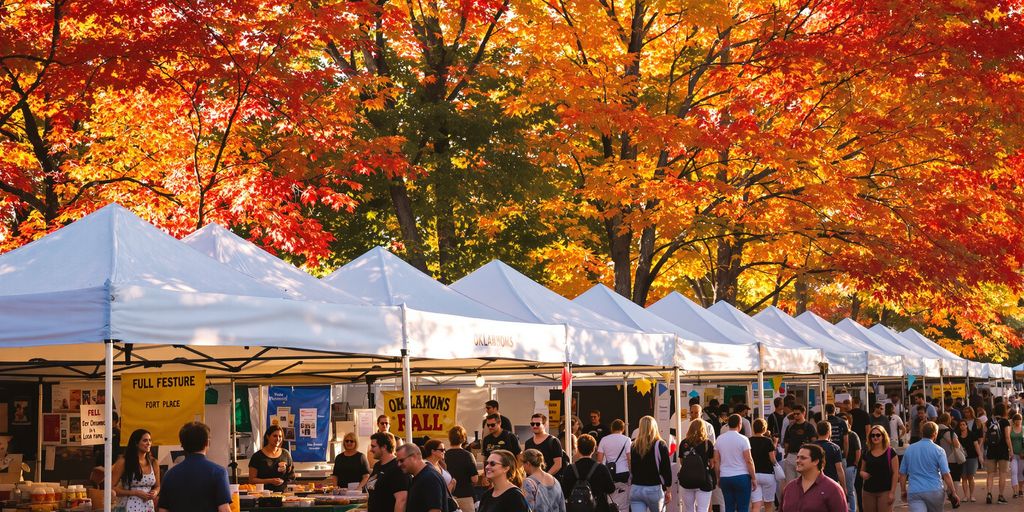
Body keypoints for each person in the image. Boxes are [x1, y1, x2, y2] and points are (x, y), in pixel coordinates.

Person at [157, 422, 231, 512]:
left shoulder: (169, 474)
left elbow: (163, 510)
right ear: (207, 442)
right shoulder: (218, 472)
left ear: (182, 445)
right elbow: (224, 509)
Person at [899, 421, 958, 512]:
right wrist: (953, 492)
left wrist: (903, 490)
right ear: (935, 434)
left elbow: (903, 473)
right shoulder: (939, 450)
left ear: (922, 432)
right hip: (934, 490)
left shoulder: (910, 449)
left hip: (915, 490)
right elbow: (945, 474)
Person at [779, 444, 847, 512]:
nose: (797, 461)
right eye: (797, 457)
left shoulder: (833, 489)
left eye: (803, 458)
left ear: (816, 461)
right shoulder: (790, 488)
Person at [629, 415, 672, 512]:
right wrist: (668, 489)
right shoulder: (660, 444)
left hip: (636, 488)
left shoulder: (633, 445)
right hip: (654, 488)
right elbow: (666, 469)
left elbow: (632, 466)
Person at [562, 434, 615, 512]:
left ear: (578, 449)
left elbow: (564, 492)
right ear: (593, 449)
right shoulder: (601, 468)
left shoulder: (570, 468)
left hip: (576, 508)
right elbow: (611, 489)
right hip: (599, 507)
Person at [715, 414, 756, 512]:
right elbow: (749, 460)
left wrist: (718, 477)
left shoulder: (719, 439)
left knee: (729, 507)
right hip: (742, 477)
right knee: (743, 507)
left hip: (725, 477)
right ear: (740, 424)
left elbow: (716, 460)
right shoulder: (743, 439)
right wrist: (753, 477)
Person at [112, 429, 160, 512]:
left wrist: (155, 492)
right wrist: (134, 493)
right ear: (136, 443)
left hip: (148, 507)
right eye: (145, 440)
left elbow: (158, 486)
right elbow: (111, 487)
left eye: (150, 440)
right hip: (127, 506)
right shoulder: (123, 462)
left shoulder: (153, 462)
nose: (148, 443)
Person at [395, 444, 449, 512]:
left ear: (414, 457)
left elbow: (435, 510)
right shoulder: (421, 477)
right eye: (398, 461)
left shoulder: (429, 478)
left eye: (401, 460)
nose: (399, 464)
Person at [859, 425, 899, 512]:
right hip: (868, 491)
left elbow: (895, 473)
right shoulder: (866, 453)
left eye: (878, 435)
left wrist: (892, 492)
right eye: (872, 435)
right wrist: (863, 474)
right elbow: (861, 470)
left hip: (885, 491)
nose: (875, 437)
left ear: (883, 436)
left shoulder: (890, 452)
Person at [367, 432, 409, 512]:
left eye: (373, 446)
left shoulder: (397, 468)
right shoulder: (377, 465)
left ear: (384, 447)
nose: (371, 450)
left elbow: (402, 500)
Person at [596, 418, 631, 511]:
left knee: (610, 499)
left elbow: (599, 460)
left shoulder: (604, 440)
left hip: (609, 474)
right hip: (624, 473)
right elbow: (629, 458)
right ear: (623, 429)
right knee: (624, 500)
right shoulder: (627, 440)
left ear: (612, 428)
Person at [248, 425, 294, 492]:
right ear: (268, 437)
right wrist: (270, 481)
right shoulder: (257, 456)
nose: (278, 439)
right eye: (275, 436)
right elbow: (252, 480)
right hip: (263, 494)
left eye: (280, 436)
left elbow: (291, 476)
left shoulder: (286, 454)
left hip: (283, 494)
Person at [444, 426, 478, 512]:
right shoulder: (468, 455)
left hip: (449, 497)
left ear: (450, 438)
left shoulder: (444, 455)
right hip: (466, 496)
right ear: (463, 438)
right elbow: (474, 479)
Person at [984, 402, 1011, 504]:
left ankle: (989, 494)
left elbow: (985, 435)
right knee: (1002, 474)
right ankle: (1000, 496)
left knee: (990, 474)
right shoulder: (1005, 422)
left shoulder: (989, 421)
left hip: (991, 450)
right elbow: (1007, 437)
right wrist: (1011, 450)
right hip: (1003, 450)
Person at [748, 418, 776, 512]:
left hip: (753, 475)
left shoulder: (748, 440)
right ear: (764, 429)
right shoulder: (768, 441)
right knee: (768, 505)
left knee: (755, 506)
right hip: (768, 474)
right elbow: (772, 459)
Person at [782, 405, 815, 485]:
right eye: (794, 414)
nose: (796, 416)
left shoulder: (809, 427)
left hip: (804, 457)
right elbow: (786, 443)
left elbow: (814, 442)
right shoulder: (790, 427)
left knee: (803, 483)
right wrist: (786, 454)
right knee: (790, 484)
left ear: (804, 413)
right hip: (791, 456)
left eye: (798, 414)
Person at [813, 420, 847, 496]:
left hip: (814, 483)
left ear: (817, 431)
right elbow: (839, 469)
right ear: (829, 432)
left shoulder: (811, 447)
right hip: (831, 483)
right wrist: (844, 488)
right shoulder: (835, 448)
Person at [954, 418, 980, 502]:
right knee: (964, 477)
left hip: (972, 457)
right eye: (960, 425)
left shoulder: (972, 434)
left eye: (963, 425)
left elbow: (976, 445)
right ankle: (965, 496)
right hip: (961, 459)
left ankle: (972, 495)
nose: (962, 426)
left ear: (966, 425)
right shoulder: (957, 435)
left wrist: (980, 456)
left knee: (971, 477)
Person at [839, 413, 860, 512]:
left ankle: (852, 509)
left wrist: (855, 463)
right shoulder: (838, 435)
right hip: (840, 465)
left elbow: (858, 450)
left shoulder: (853, 435)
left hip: (850, 465)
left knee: (850, 489)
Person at [1010, 412, 1024, 498]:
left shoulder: (1023, 429)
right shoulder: (1010, 429)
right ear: (1014, 421)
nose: (1018, 422)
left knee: (1021, 473)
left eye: (1020, 420)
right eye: (1017, 420)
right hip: (1013, 455)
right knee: (1014, 472)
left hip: (1022, 455)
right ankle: (1015, 491)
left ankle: (1020, 490)